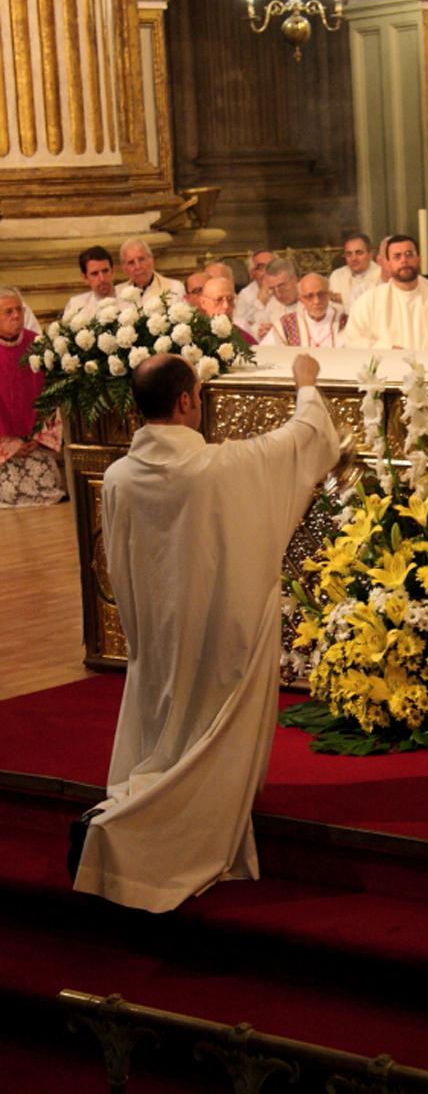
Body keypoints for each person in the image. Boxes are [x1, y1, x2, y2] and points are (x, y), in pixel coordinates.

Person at [72, 351, 339, 912]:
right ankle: (145, 832)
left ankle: (137, 808)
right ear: (187, 401)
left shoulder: (118, 477)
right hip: (221, 633)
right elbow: (303, 439)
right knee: (209, 724)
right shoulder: (221, 467)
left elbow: (115, 565)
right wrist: (306, 383)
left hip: (159, 632)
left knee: (168, 727)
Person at [0, 287, 64, 507]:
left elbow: (52, 394)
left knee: (47, 487)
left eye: (18, 309)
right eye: (8, 312)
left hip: (36, 443)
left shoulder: (37, 344)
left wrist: (36, 439)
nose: (16, 315)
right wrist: (8, 446)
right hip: (4, 451)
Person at [343, 235, 428, 350]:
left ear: (419, 259)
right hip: (386, 367)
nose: (404, 260)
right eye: (397, 256)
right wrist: (389, 350)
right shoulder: (369, 301)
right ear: (388, 264)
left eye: (409, 254)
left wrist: (419, 363)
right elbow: (354, 340)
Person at [268, 273, 344, 347]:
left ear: (328, 294)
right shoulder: (286, 325)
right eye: (309, 296)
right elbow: (264, 352)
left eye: (321, 294)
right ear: (301, 299)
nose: (316, 301)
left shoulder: (344, 321)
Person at [117, 239, 184, 305]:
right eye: (131, 262)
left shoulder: (174, 288)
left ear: (151, 261)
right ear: (124, 268)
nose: (138, 266)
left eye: (141, 259)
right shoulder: (118, 293)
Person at [197, 275, 256, 344]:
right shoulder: (194, 337)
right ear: (203, 303)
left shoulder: (243, 337)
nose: (226, 306)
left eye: (230, 299)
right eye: (219, 300)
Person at [62, 246, 116, 320]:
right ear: (85, 278)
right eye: (95, 273)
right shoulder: (75, 306)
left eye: (105, 271)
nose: (102, 279)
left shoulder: (131, 301)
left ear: (112, 271)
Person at [329, 234, 381, 308]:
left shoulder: (381, 275)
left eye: (359, 253)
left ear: (370, 254)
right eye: (349, 254)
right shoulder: (337, 275)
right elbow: (331, 305)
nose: (354, 258)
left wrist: (343, 299)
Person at [255, 257, 301, 340]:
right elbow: (255, 328)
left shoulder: (313, 300)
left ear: (295, 279)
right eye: (272, 289)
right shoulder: (272, 304)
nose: (278, 294)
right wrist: (262, 333)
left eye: (282, 286)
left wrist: (280, 333)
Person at [235, 250, 274, 335]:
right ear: (252, 273)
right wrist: (259, 302)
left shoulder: (283, 289)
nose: (268, 272)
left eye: (272, 266)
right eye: (261, 267)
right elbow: (240, 328)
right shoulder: (244, 295)